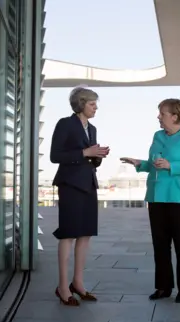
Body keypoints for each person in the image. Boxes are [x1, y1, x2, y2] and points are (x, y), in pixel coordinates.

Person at [121, 98, 180, 303]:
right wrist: (140, 163)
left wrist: (171, 165)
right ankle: (163, 287)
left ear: (175, 116)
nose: (159, 117)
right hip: (157, 197)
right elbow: (154, 164)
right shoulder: (157, 136)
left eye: (162, 113)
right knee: (160, 244)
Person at [50, 87, 109, 306]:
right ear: (81, 103)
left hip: (88, 184)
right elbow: (55, 156)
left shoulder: (92, 128)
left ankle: (78, 283)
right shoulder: (65, 123)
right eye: (92, 104)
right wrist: (86, 153)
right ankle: (63, 287)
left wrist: (98, 156)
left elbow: (90, 159)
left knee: (85, 234)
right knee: (68, 235)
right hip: (70, 184)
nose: (96, 108)